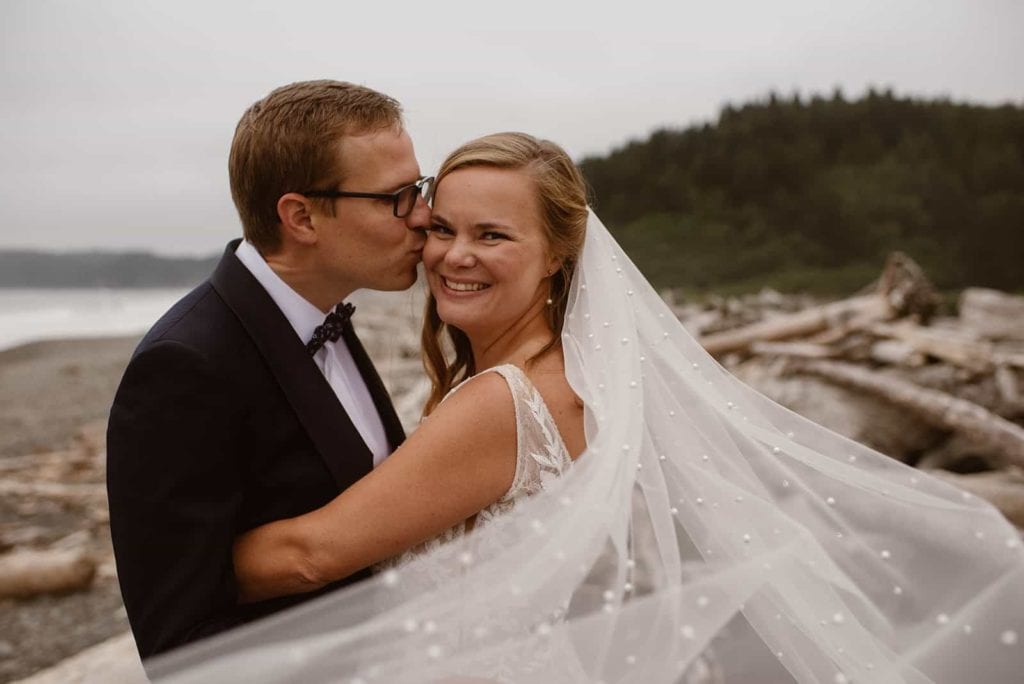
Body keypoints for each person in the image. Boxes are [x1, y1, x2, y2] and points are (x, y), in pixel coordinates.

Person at [149, 133, 1024, 684]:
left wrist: (179, 560)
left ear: (559, 257)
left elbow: (311, 555)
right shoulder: (568, 374)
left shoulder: (504, 401)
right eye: (442, 227)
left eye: (493, 236)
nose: (452, 255)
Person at [106, 80, 429, 661]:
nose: (424, 216)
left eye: (419, 189)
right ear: (301, 217)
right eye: (397, 198)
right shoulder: (183, 367)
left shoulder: (323, 312)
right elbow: (180, 644)